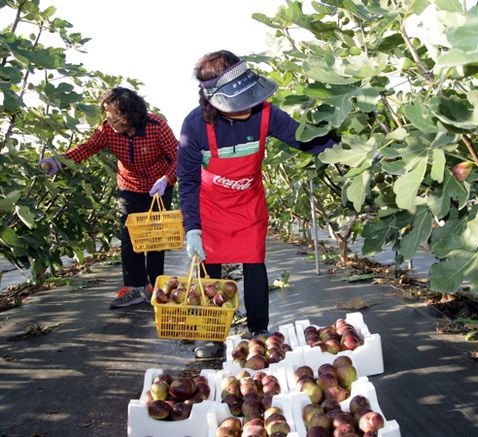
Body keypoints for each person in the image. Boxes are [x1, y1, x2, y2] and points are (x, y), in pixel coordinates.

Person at [177, 50, 337, 358]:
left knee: (254, 264)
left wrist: (347, 149)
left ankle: (259, 330)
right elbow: (188, 180)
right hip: (211, 209)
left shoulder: (265, 114)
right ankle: (211, 335)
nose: (248, 105)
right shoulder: (194, 126)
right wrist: (192, 227)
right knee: (211, 273)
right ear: (214, 100)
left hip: (248, 204)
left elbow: (304, 139)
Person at [39, 87, 178, 309]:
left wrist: (166, 179)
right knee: (129, 236)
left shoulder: (157, 126)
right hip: (130, 185)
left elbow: (178, 157)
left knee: (155, 237)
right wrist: (58, 162)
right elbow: (87, 148)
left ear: (129, 114)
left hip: (158, 186)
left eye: (114, 116)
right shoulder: (106, 130)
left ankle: (156, 286)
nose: (109, 120)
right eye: (107, 114)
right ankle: (134, 287)